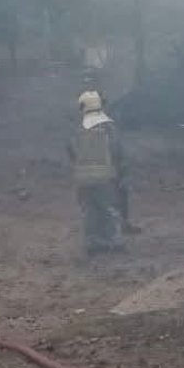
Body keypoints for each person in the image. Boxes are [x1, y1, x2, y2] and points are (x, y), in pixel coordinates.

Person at [68, 91, 127, 255]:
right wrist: (121, 172)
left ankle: (93, 242)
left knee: (89, 210)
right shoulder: (109, 128)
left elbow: (72, 151)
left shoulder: (79, 129)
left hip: (83, 179)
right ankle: (113, 242)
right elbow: (117, 152)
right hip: (105, 177)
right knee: (109, 209)